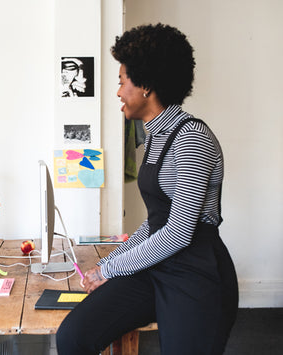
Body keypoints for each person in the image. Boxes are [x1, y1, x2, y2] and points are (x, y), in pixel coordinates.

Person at [56, 24, 238, 355]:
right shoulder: (154, 136)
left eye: (122, 82)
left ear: (146, 86)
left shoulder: (191, 139)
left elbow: (179, 233)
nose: (118, 92)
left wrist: (110, 268)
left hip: (196, 273)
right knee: (73, 336)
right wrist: (111, 262)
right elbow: (156, 222)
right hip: (159, 267)